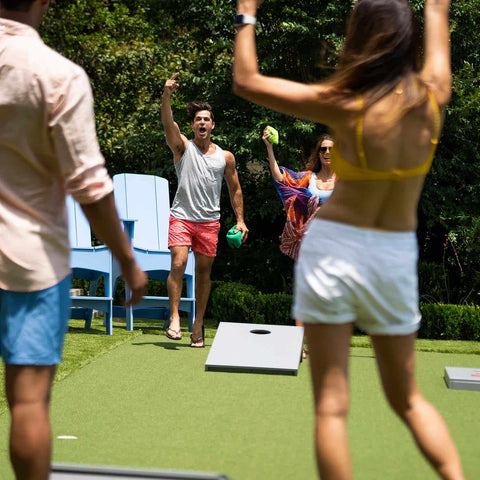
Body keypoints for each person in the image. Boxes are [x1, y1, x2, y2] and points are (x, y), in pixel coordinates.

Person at [233, 1, 463, 479]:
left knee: (331, 409)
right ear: (408, 39)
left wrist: (247, 13)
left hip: (333, 248)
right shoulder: (433, 92)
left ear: (357, 38)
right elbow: (438, 6)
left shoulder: (343, 100)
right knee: (410, 400)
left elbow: (246, 82)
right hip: (394, 254)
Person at [0, 1, 148, 479]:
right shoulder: (57, 75)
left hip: (29, 265)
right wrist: (127, 261)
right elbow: (90, 185)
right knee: (27, 403)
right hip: (30, 264)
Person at [161, 73, 248, 347]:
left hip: (209, 222)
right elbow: (168, 123)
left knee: (203, 274)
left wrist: (241, 221)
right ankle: (175, 317)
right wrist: (166, 96)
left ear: (213, 126)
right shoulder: (182, 148)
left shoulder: (225, 157)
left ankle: (198, 324)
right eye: (197, 119)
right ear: (192, 125)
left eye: (206, 119)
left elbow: (235, 189)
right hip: (182, 217)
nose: (202, 122)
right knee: (178, 263)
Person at [262, 129, 335, 260]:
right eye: (323, 149)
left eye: (331, 149)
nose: (327, 152)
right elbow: (280, 179)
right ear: (318, 154)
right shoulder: (308, 178)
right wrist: (269, 148)